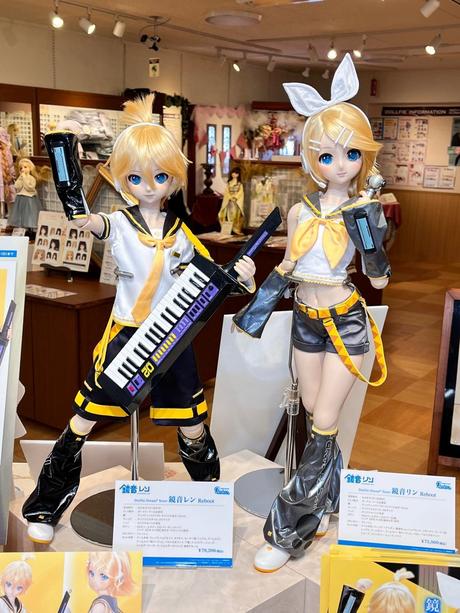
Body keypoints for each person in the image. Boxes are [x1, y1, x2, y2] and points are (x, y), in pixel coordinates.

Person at [22, 93, 256, 545]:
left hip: (173, 336)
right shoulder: (120, 222)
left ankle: (211, 506)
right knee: (83, 419)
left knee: (192, 423)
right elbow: (93, 224)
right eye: (136, 177)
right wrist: (77, 205)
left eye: (160, 176)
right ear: (123, 178)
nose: (149, 187)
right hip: (127, 336)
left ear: (173, 178)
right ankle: (45, 505)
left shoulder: (181, 234)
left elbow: (215, 278)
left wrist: (242, 276)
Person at [233, 54, 390, 572]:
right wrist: (254, 288)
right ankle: (327, 500)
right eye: (327, 155)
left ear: (363, 156)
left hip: (345, 321)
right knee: (312, 415)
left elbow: (379, 279)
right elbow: (288, 266)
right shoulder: (301, 211)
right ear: (311, 159)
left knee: (323, 420)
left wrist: (373, 237)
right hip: (304, 318)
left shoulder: (363, 211)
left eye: (350, 153)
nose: (339, 165)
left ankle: (287, 529)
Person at [8, 158, 46, 231]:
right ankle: (22, 228)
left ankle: (31, 228)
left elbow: (29, 187)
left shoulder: (31, 178)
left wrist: (25, 178)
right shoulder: (20, 178)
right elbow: (17, 186)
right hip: (20, 197)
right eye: (21, 168)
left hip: (29, 198)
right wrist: (20, 179)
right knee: (21, 213)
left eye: (25, 167)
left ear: (30, 168)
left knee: (30, 213)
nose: (23, 169)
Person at [218, 168, 245, 234]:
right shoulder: (229, 183)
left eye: (236, 173)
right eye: (233, 173)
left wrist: (235, 197)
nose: (234, 174)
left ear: (238, 175)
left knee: (236, 215)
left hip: (236, 202)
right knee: (229, 214)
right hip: (229, 201)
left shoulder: (239, 184)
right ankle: (229, 229)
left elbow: (241, 193)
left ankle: (236, 229)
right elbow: (227, 192)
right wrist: (230, 197)